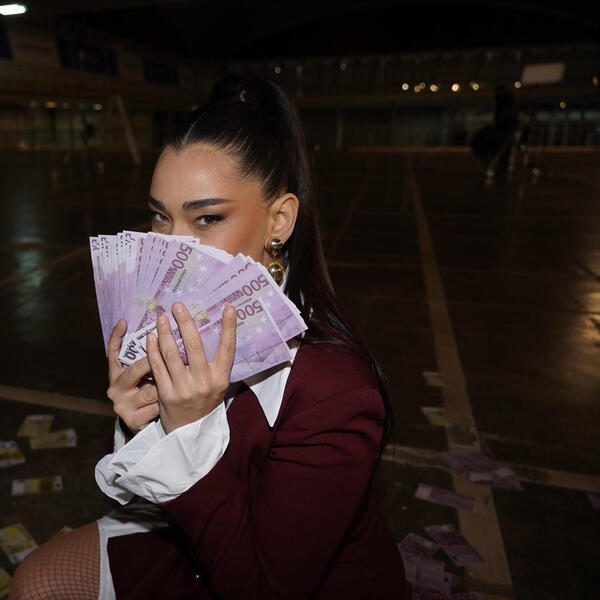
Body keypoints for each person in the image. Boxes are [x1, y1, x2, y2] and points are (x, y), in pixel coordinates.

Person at [10, 75, 405, 599]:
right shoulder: (175, 327)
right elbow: (149, 499)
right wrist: (143, 421)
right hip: (190, 539)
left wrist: (189, 429)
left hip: (280, 582)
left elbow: (262, 588)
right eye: (160, 216)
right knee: (33, 582)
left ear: (279, 220)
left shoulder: (335, 390)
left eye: (207, 218)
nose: (171, 250)